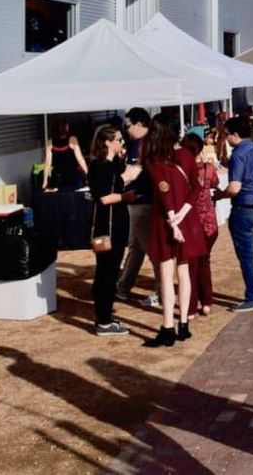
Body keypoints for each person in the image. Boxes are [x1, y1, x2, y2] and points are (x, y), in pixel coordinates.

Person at [144, 122, 207, 347]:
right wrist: (182, 215)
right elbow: (197, 188)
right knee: (184, 272)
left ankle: (167, 326)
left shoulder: (154, 161)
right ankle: (183, 324)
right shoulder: (187, 156)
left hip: (165, 222)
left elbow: (163, 193)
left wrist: (173, 220)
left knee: (166, 274)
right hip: (186, 220)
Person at [213, 115, 253, 312]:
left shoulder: (239, 154)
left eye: (227, 135)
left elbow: (234, 187)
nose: (226, 138)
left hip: (244, 207)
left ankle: (252, 295)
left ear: (235, 135)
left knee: (247, 255)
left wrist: (220, 195)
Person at [87, 125, 133, 336]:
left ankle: (103, 315)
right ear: (107, 142)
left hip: (107, 225)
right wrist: (126, 197)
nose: (122, 143)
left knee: (106, 269)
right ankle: (103, 321)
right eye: (119, 139)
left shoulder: (108, 164)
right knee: (108, 271)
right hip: (107, 228)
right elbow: (104, 197)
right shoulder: (102, 166)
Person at [116, 108, 159, 307]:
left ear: (139, 124)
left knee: (152, 249)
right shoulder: (153, 141)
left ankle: (161, 290)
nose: (127, 130)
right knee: (138, 247)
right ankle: (123, 287)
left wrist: (112, 186)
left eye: (128, 126)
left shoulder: (139, 145)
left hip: (141, 202)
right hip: (146, 201)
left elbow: (132, 173)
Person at [181, 132, 219, 317]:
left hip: (192, 222)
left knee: (191, 266)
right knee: (204, 262)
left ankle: (190, 307)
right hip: (209, 222)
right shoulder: (208, 168)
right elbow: (215, 183)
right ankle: (207, 301)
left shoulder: (182, 171)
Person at [42, 116, 87, 190]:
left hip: (57, 179)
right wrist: (88, 174)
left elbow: (47, 163)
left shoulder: (50, 142)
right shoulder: (72, 140)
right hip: (73, 177)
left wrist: (45, 181)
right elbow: (80, 160)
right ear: (66, 127)